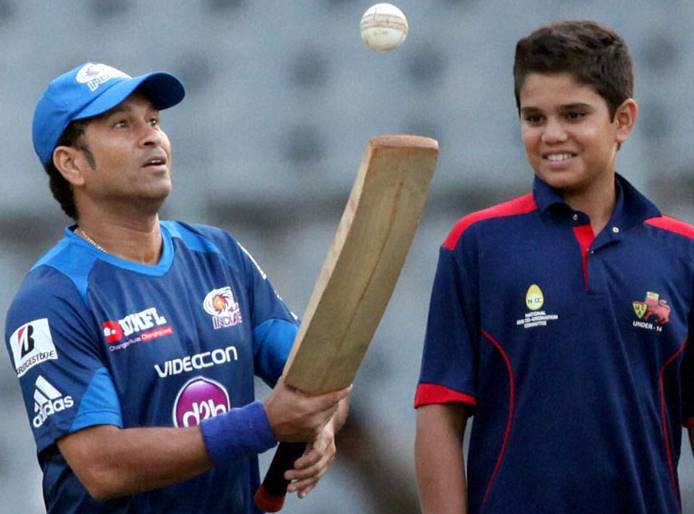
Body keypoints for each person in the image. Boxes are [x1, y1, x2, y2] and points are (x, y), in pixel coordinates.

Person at [4, 62, 350, 514]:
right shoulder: (52, 298)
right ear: (71, 164)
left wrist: (322, 422)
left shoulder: (219, 253)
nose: (151, 137)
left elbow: (316, 377)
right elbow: (102, 467)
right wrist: (265, 423)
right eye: (122, 124)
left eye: (153, 121)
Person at [414, 20, 694, 514]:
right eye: (534, 118)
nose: (552, 135)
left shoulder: (682, 252)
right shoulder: (476, 244)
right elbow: (440, 413)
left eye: (574, 114)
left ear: (623, 120)